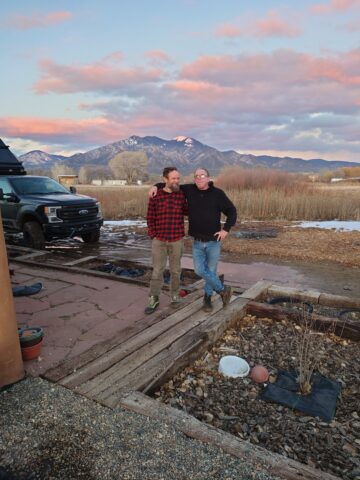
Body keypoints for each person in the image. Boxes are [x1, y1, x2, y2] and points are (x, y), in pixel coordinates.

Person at [151, 167, 237, 312]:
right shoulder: (189, 190)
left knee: (210, 271)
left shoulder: (217, 194)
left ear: (208, 178)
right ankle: (223, 289)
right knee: (199, 270)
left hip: (213, 242)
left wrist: (225, 230)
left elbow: (232, 211)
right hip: (197, 242)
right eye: (196, 176)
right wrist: (156, 186)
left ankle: (208, 299)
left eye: (202, 175)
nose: (199, 178)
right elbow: (170, 184)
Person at [144, 167, 188, 315]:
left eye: (178, 178)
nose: (176, 181)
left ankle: (174, 295)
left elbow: (189, 211)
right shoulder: (156, 195)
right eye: (173, 178)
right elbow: (150, 217)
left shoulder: (181, 194)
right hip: (159, 240)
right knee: (157, 271)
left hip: (177, 240)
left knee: (176, 271)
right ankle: (154, 298)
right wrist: (153, 235)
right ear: (165, 179)